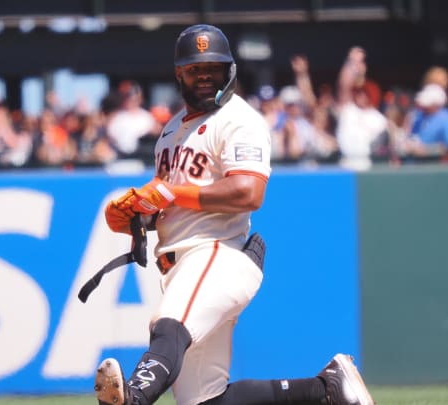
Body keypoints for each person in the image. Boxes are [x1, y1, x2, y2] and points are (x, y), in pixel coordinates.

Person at [94, 24, 375, 405]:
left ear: (230, 70)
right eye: (196, 69)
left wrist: (173, 192)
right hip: (180, 262)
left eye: (213, 67)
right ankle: (328, 388)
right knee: (204, 401)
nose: (205, 76)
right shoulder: (172, 129)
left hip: (217, 254)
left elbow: (248, 191)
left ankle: (136, 396)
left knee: (168, 325)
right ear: (180, 74)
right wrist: (140, 217)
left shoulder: (240, 119)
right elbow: (168, 198)